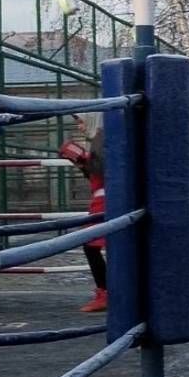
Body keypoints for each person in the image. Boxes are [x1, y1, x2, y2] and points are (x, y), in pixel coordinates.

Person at [59, 112, 109, 313]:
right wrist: (80, 162)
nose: (79, 126)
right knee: (101, 246)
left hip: (105, 200)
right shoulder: (100, 138)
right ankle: (111, 291)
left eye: (80, 121)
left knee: (91, 246)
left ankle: (105, 293)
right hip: (104, 199)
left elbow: (103, 170)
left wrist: (82, 159)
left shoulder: (100, 138)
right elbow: (96, 172)